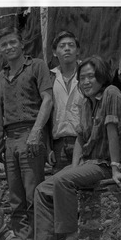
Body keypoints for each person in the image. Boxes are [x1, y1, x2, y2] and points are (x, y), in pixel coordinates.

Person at [34, 56, 121, 240]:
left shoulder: (111, 93)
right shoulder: (85, 102)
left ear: (102, 77)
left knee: (63, 180)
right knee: (43, 189)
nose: (87, 82)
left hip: (105, 164)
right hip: (88, 163)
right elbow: (80, 137)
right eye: (83, 78)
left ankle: (70, 234)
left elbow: (112, 131)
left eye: (91, 77)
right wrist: (74, 166)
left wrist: (115, 169)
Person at [0, 26, 54, 240]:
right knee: (15, 198)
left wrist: (36, 132)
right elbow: (0, 112)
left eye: (12, 42)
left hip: (31, 133)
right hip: (10, 139)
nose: (9, 47)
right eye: (4, 45)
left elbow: (48, 99)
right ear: (0, 50)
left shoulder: (36, 66)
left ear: (21, 44)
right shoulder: (1, 76)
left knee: (33, 193)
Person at [49, 30, 84, 173]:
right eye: (62, 46)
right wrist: (48, 147)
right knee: (60, 189)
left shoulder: (87, 73)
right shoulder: (50, 77)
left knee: (84, 188)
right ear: (54, 52)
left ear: (78, 51)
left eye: (71, 45)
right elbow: (46, 114)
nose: (67, 48)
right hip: (59, 145)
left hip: (83, 141)